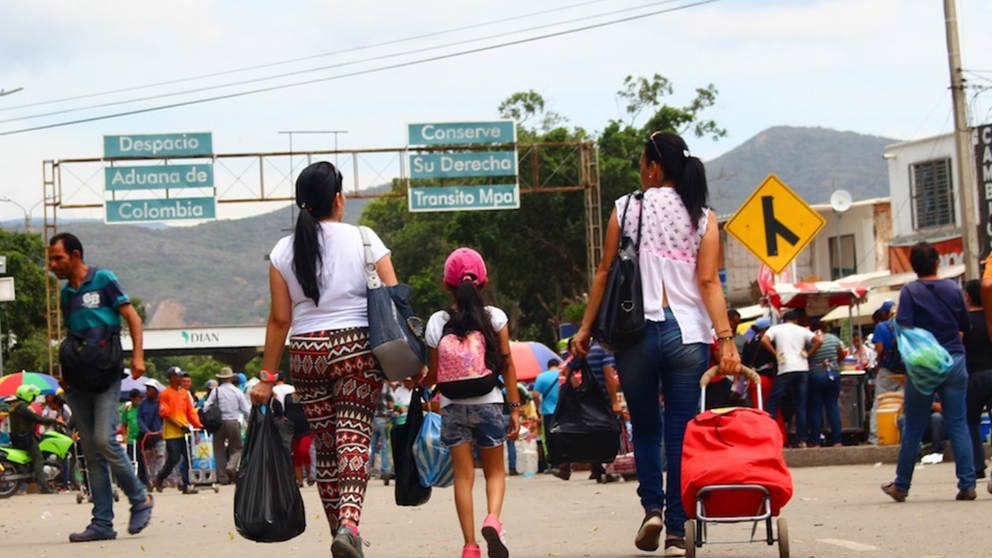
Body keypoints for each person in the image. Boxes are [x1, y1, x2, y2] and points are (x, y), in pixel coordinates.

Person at [571, 131, 741, 556]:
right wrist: (727, 340)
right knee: (682, 433)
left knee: (646, 426)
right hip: (688, 336)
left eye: (642, 163)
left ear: (654, 167)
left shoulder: (626, 208)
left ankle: (652, 509)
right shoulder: (703, 215)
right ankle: (677, 533)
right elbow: (708, 283)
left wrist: (585, 329)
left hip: (636, 335)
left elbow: (605, 272)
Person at [250, 161, 396, 558]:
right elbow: (395, 297)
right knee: (353, 440)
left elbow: (280, 318)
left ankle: (341, 536)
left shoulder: (283, 250)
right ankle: (349, 525)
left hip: (307, 353)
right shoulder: (365, 239)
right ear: (337, 198)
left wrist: (267, 375)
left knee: (327, 450)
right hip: (356, 350)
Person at [48, 232, 154, 542]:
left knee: (104, 440)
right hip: (78, 381)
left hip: (107, 375)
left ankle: (140, 498)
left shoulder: (104, 279)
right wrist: (65, 373)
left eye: (58, 258)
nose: (53, 265)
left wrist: (137, 356)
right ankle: (102, 522)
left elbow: (131, 317)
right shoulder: (67, 295)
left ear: (76, 255)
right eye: (51, 259)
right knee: (91, 452)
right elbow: (72, 337)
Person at [423, 247, 521, 558]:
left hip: (452, 406)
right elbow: (506, 364)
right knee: (494, 471)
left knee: (463, 477)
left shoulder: (438, 321)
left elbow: (434, 374)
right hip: (489, 402)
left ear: (445, 284)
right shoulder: (495, 317)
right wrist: (515, 409)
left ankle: (469, 546)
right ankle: (492, 518)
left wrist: (418, 382)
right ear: (483, 281)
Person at [881, 241, 975, 502]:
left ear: (914, 266)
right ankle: (967, 483)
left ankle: (901, 485)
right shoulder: (954, 289)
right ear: (937, 262)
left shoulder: (910, 291)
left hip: (923, 364)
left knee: (913, 425)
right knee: (958, 422)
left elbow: (903, 324)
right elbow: (965, 323)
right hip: (953, 359)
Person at [762, 309, 822, 448]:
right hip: (802, 369)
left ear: (784, 319)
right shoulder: (802, 330)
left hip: (785, 369)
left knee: (773, 403)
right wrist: (808, 353)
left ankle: (770, 435)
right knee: (801, 404)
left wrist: (776, 353)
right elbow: (819, 340)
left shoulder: (776, 329)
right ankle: (802, 440)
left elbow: (764, 340)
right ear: (796, 320)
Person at [152, 366, 203, 495]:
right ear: (172, 378)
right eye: (178, 376)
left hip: (185, 431)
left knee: (188, 458)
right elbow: (165, 414)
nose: (181, 378)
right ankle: (160, 477)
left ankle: (187, 484)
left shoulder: (185, 393)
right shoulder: (165, 393)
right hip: (172, 433)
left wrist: (198, 424)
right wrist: (179, 426)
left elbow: (190, 412)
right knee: (173, 458)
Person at [962, 279, 992, 490]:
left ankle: (977, 464)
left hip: (974, 376)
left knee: (970, 422)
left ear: (969, 297)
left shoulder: (965, 322)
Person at [8, 384, 60, 493]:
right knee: (38, 458)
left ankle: (32, 478)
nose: (34, 399)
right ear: (28, 395)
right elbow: (36, 418)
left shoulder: (15, 405)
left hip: (17, 438)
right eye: (33, 396)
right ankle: (44, 487)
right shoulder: (22, 407)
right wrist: (53, 421)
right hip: (25, 438)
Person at [202, 367, 250, 485]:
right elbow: (246, 410)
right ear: (231, 378)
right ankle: (231, 465)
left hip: (218, 424)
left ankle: (223, 478)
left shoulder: (215, 391)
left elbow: (206, 407)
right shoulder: (237, 391)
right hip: (233, 421)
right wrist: (249, 422)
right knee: (237, 448)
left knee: (219, 450)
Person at [806, 319, 845, 447]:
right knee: (832, 406)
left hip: (816, 374)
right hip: (833, 374)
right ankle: (837, 441)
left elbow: (806, 356)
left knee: (816, 408)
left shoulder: (810, 340)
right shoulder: (833, 338)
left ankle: (816, 441)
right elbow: (841, 355)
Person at [870, 301, 904, 444]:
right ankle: (900, 434)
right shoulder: (905, 326)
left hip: (887, 371)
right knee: (903, 402)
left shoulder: (881, 327)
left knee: (880, 402)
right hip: (905, 371)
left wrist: (878, 363)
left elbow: (880, 349)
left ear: (884, 314)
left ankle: (876, 436)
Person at [531, 359, 564, 476]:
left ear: (548, 366)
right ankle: (565, 462)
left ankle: (554, 464)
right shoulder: (563, 374)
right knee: (563, 436)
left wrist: (538, 408)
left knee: (550, 438)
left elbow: (535, 395)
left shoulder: (542, 377)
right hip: (563, 411)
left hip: (548, 412)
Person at [138, 379, 164, 486]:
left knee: (160, 456)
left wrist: (162, 430)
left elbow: (165, 417)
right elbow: (139, 419)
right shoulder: (142, 405)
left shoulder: (161, 403)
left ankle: (160, 478)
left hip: (159, 435)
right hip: (146, 437)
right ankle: (152, 478)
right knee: (149, 459)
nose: (147, 391)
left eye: (149, 389)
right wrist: (146, 431)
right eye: (147, 389)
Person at [369, 382, 395, 482]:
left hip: (372, 419)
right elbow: (391, 405)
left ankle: (370, 469)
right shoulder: (387, 388)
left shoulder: (372, 385)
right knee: (384, 445)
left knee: (373, 445)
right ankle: (386, 470)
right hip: (382, 419)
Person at [120, 389, 145, 484]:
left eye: (137, 399)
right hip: (131, 439)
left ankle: (144, 481)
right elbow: (124, 424)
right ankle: (131, 481)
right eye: (133, 399)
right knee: (131, 460)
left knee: (141, 460)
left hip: (142, 438)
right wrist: (124, 436)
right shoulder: (127, 409)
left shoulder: (142, 407)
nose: (135, 401)